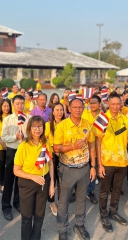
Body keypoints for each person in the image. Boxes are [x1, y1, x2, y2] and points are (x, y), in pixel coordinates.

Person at [54, 98, 96, 240]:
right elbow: (56, 147)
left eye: (81, 107)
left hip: (84, 168)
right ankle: (62, 229)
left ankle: (79, 224)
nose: (78, 109)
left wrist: (93, 166)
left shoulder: (87, 124)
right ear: (69, 109)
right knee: (63, 201)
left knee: (81, 199)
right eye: (75, 107)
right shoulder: (62, 126)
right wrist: (73, 147)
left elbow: (91, 146)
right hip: (67, 169)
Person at [96, 95, 128, 232]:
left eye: (117, 104)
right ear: (108, 104)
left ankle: (113, 211)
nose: (115, 106)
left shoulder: (126, 119)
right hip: (107, 161)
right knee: (104, 190)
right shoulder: (102, 119)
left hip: (122, 161)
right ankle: (103, 214)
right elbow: (98, 142)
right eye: (112, 104)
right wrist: (99, 165)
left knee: (117, 189)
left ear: (121, 104)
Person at [14, 116, 54, 240]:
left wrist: (52, 183)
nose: (38, 129)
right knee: (27, 217)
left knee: (39, 215)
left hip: (43, 182)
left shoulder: (46, 143)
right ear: (29, 128)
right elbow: (16, 170)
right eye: (35, 127)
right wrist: (32, 177)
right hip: (27, 184)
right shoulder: (23, 146)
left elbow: (50, 163)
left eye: (40, 126)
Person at [1, 95, 31, 221]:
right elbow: (4, 137)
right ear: (13, 104)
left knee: (21, 180)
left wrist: (24, 136)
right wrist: (15, 137)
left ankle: (17, 202)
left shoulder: (28, 118)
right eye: (17, 103)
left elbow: (31, 134)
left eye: (22, 103)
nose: (20, 106)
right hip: (12, 151)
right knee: (9, 180)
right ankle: (6, 206)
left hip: (24, 151)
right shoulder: (8, 119)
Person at [45, 102, 65, 216]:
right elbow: (45, 140)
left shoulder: (66, 123)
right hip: (52, 156)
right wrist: (53, 149)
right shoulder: (48, 125)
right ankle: (52, 203)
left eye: (61, 110)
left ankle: (62, 202)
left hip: (64, 156)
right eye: (57, 110)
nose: (59, 112)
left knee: (62, 181)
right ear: (53, 112)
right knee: (52, 180)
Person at [82, 95, 102, 204]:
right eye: (91, 103)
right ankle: (79, 190)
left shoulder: (103, 116)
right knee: (81, 171)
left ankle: (90, 191)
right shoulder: (84, 113)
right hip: (84, 148)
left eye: (95, 103)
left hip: (97, 148)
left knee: (92, 170)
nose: (92, 105)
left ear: (100, 104)